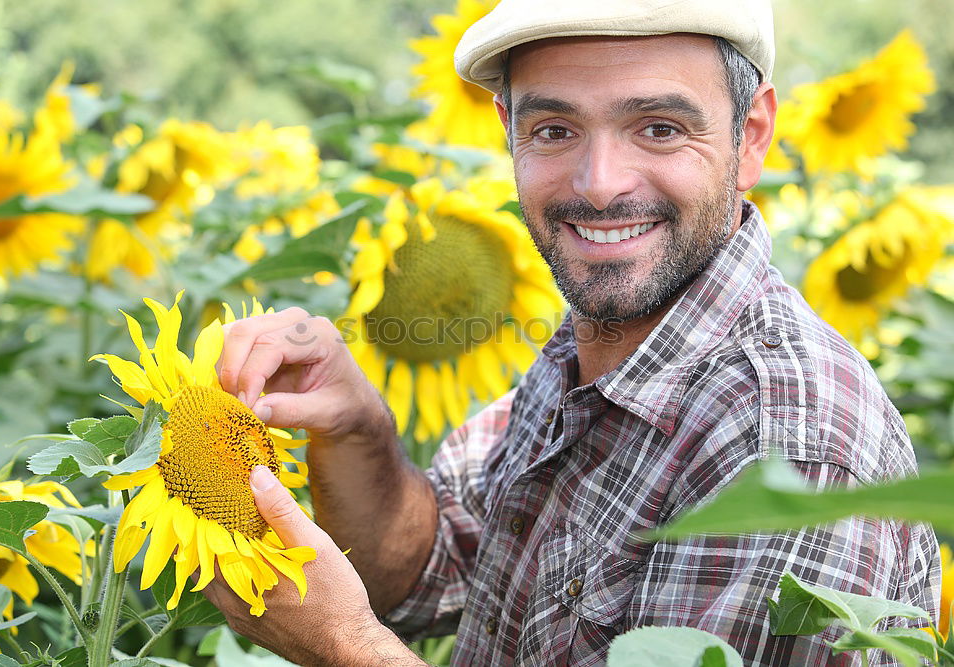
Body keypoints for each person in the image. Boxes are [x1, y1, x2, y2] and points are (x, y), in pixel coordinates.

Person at [203, 1, 940, 664]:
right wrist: (357, 427)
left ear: (751, 139)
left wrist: (347, 647)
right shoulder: (599, 344)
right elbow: (438, 567)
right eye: (555, 130)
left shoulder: (788, 447)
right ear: (509, 134)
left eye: (658, 128)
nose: (598, 182)